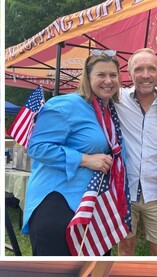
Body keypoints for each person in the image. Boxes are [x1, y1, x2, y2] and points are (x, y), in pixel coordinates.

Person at [22, 51, 129, 256]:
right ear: (87, 78)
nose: (108, 81)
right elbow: (37, 147)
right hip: (58, 205)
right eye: (101, 75)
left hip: (94, 209)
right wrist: (85, 159)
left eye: (113, 75)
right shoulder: (64, 105)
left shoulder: (110, 112)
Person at [115, 48, 157, 256]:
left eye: (151, 69)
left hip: (156, 190)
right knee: (125, 249)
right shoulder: (118, 98)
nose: (145, 75)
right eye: (139, 69)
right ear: (129, 74)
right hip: (125, 190)